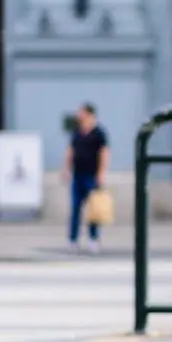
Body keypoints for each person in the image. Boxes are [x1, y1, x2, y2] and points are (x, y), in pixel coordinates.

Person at [63, 102, 110, 253]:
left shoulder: (99, 133)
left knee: (93, 209)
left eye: (81, 112)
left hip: (92, 175)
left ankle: (93, 238)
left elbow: (104, 153)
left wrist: (101, 173)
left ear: (89, 114)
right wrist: (67, 169)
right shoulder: (77, 132)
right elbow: (70, 150)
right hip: (78, 174)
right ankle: (73, 239)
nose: (78, 115)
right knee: (75, 208)